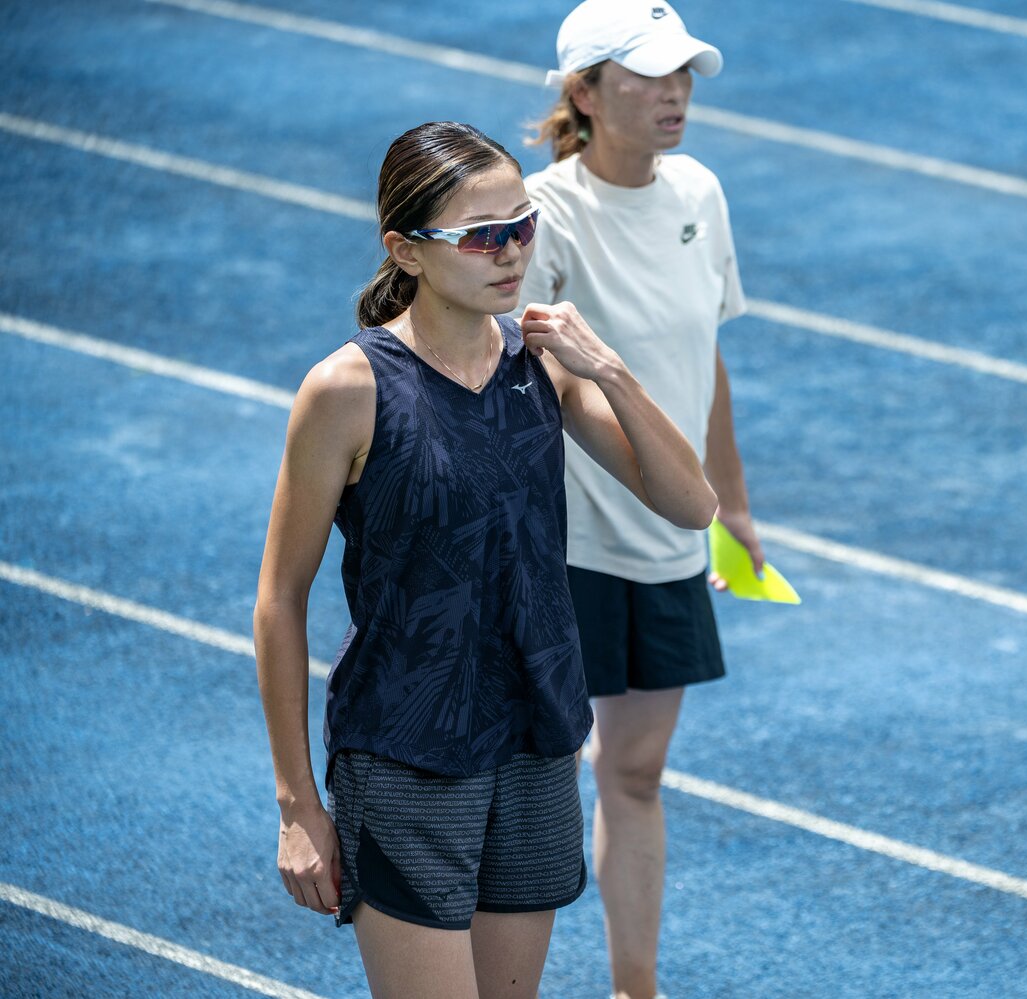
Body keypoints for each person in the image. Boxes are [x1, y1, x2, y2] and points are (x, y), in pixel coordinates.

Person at [253, 120, 717, 999]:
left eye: (524, 225)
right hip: (405, 753)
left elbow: (691, 506)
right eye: (482, 235)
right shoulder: (346, 391)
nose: (511, 254)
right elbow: (279, 601)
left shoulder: (544, 363)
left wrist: (610, 371)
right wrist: (297, 805)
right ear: (408, 250)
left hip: (536, 740)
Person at [520, 4, 762, 996]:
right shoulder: (540, 216)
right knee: (530, 780)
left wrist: (732, 504)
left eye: (685, 76)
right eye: (651, 78)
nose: (676, 95)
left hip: (666, 540)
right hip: (564, 545)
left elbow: (704, 354)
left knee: (634, 775)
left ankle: (635, 988)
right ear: (584, 94)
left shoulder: (700, 190)